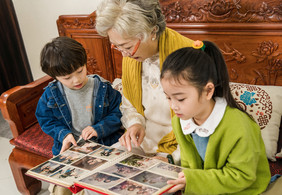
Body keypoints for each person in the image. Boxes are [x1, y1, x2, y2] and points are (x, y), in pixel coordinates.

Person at [160, 40, 271, 194]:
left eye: (180, 99)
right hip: (206, 187)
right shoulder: (180, 121)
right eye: (168, 98)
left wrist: (193, 180)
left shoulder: (239, 125)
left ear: (208, 91)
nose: (173, 106)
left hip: (243, 189)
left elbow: (243, 176)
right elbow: (189, 166)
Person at [95, 0, 194, 163]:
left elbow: (203, 122)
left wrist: (172, 158)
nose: (125, 55)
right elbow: (130, 104)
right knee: (97, 171)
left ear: (153, 31)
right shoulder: (132, 58)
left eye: (127, 46)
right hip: (142, 142)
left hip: (181, 149)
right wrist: (135, 124)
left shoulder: (190, 58)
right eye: (117, 47)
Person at [36, 36, 123, 195]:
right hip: (70, 151)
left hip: (103, 147)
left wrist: (99, 128)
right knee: (60, 190)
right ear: (55, 77)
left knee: (97, 186)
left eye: (80, 71)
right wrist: (64, 134)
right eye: (67, 78)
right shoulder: (51, 94)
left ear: (85, 64)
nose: (76, 80)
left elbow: (118, 113)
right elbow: (45, 119)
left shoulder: (102, 87)